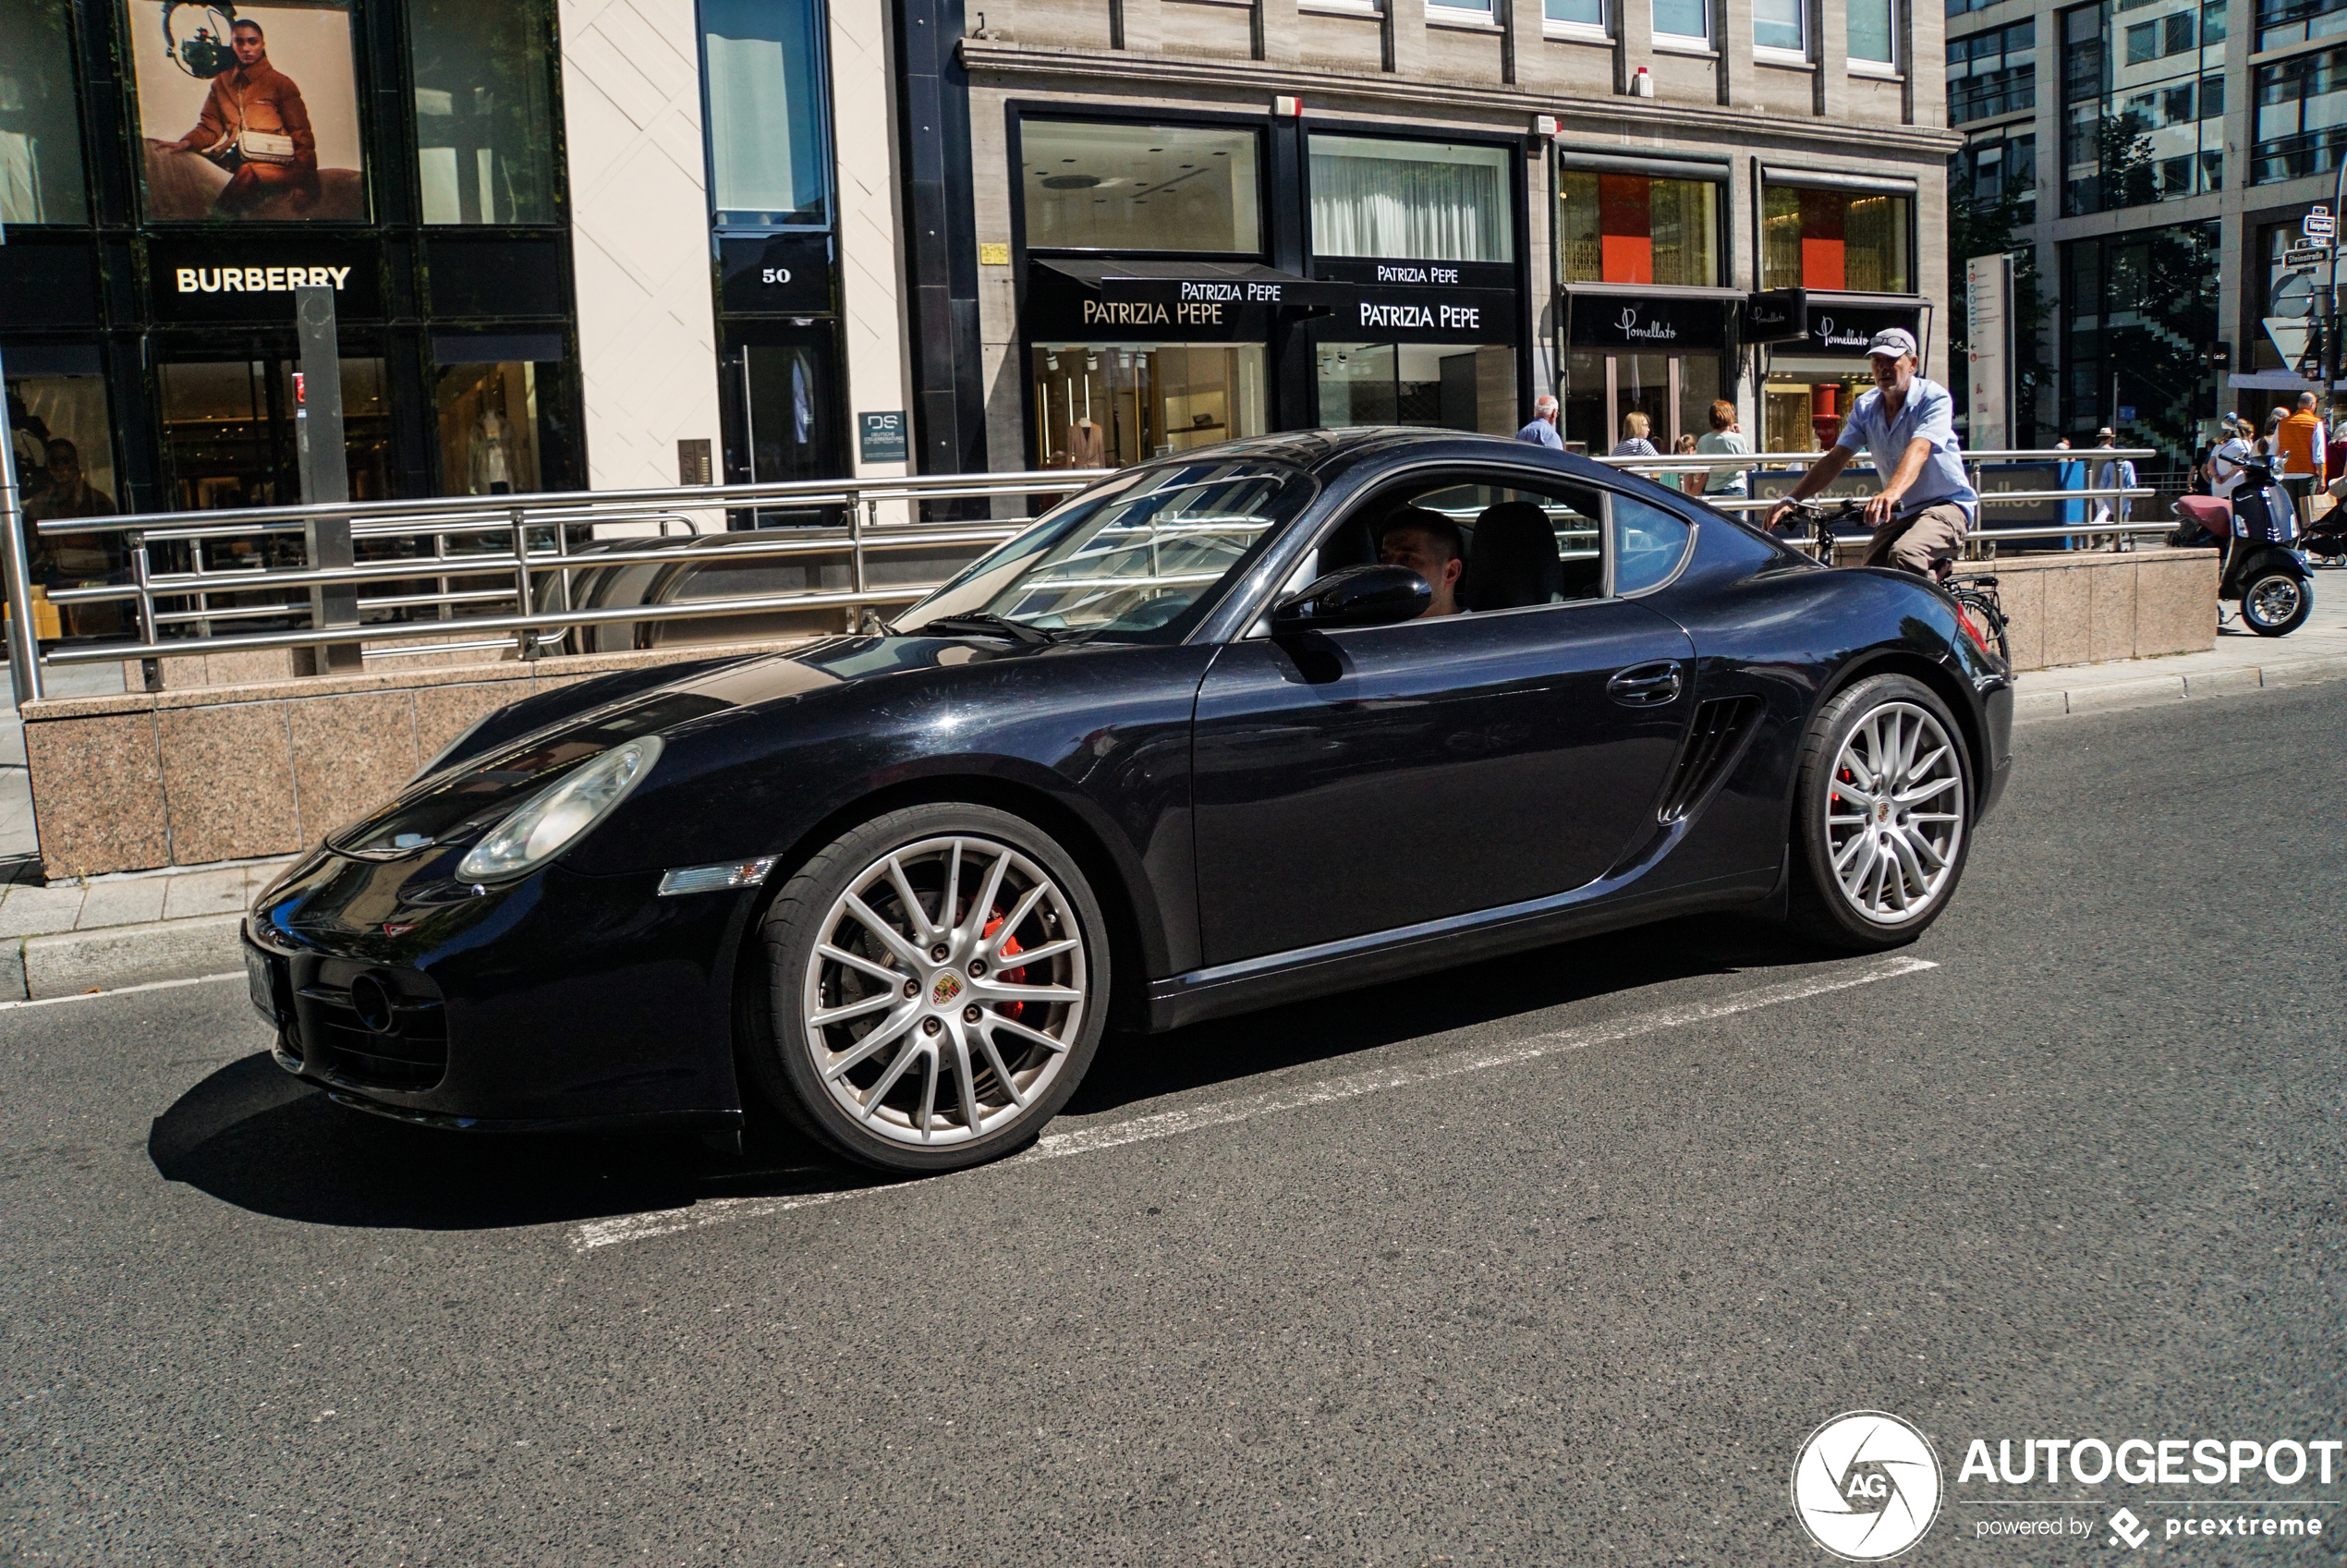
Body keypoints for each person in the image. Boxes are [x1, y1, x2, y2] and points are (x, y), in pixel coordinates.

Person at [1764, 327, 1977, 577]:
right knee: (1871, 571)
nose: (1883, 367)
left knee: (1905, 554)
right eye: (1877, 360)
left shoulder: (1933, 398)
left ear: (1913, 363)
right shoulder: (1866, 406)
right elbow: (1836, 458)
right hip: (1904, 509)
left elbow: (1920, 448)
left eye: (1892, 360)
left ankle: (1926, 614)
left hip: (1946, 504)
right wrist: (1791, 500)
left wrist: (1890, 492)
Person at [164, 18, 320, 217]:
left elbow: (302, 134)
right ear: (232, 45)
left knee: (248, 172)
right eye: (239, 42)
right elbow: (210, 126)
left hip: (280, 166)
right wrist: (188, 142)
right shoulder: (222, 82)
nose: (246, 48)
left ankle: (213, 228)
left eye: (252, 42)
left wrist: (305, 182)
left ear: (262, 44)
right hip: (235, 159)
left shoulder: (281, 83)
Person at [1377, 508, 1466, 618]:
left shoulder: (1477, 633)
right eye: (1385, 559)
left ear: (1450, 572)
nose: (1390, 571)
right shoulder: (1373, 629)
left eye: (1408, 558)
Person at [2276, 389, 2326, 514]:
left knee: (2290, 510)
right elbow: (2318, 453)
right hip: (2306, 472)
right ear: (2311, 405)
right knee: (2306, 511)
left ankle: (2291, 533)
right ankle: (2303, 533)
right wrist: (2321, 478)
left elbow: (2274, 450)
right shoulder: (2315, 423)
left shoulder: (2283, 423)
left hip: (2287, 472)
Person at [1694, 399, 1750, 502]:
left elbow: (1698, 474)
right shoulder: (1737, 439)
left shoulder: (1703, 440)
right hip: (1734, 488)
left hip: (1712, 489)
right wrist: (1739, 434)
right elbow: (1748, 464)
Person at [2090, 427, 2134, 529]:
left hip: (2095, 484)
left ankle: (2098, 533)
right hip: (2109, 486)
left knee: (2100, 509)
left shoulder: (2093, 451)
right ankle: (2094, 530)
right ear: (2110, 438)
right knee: (2106, 510)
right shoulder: (2113, 452)